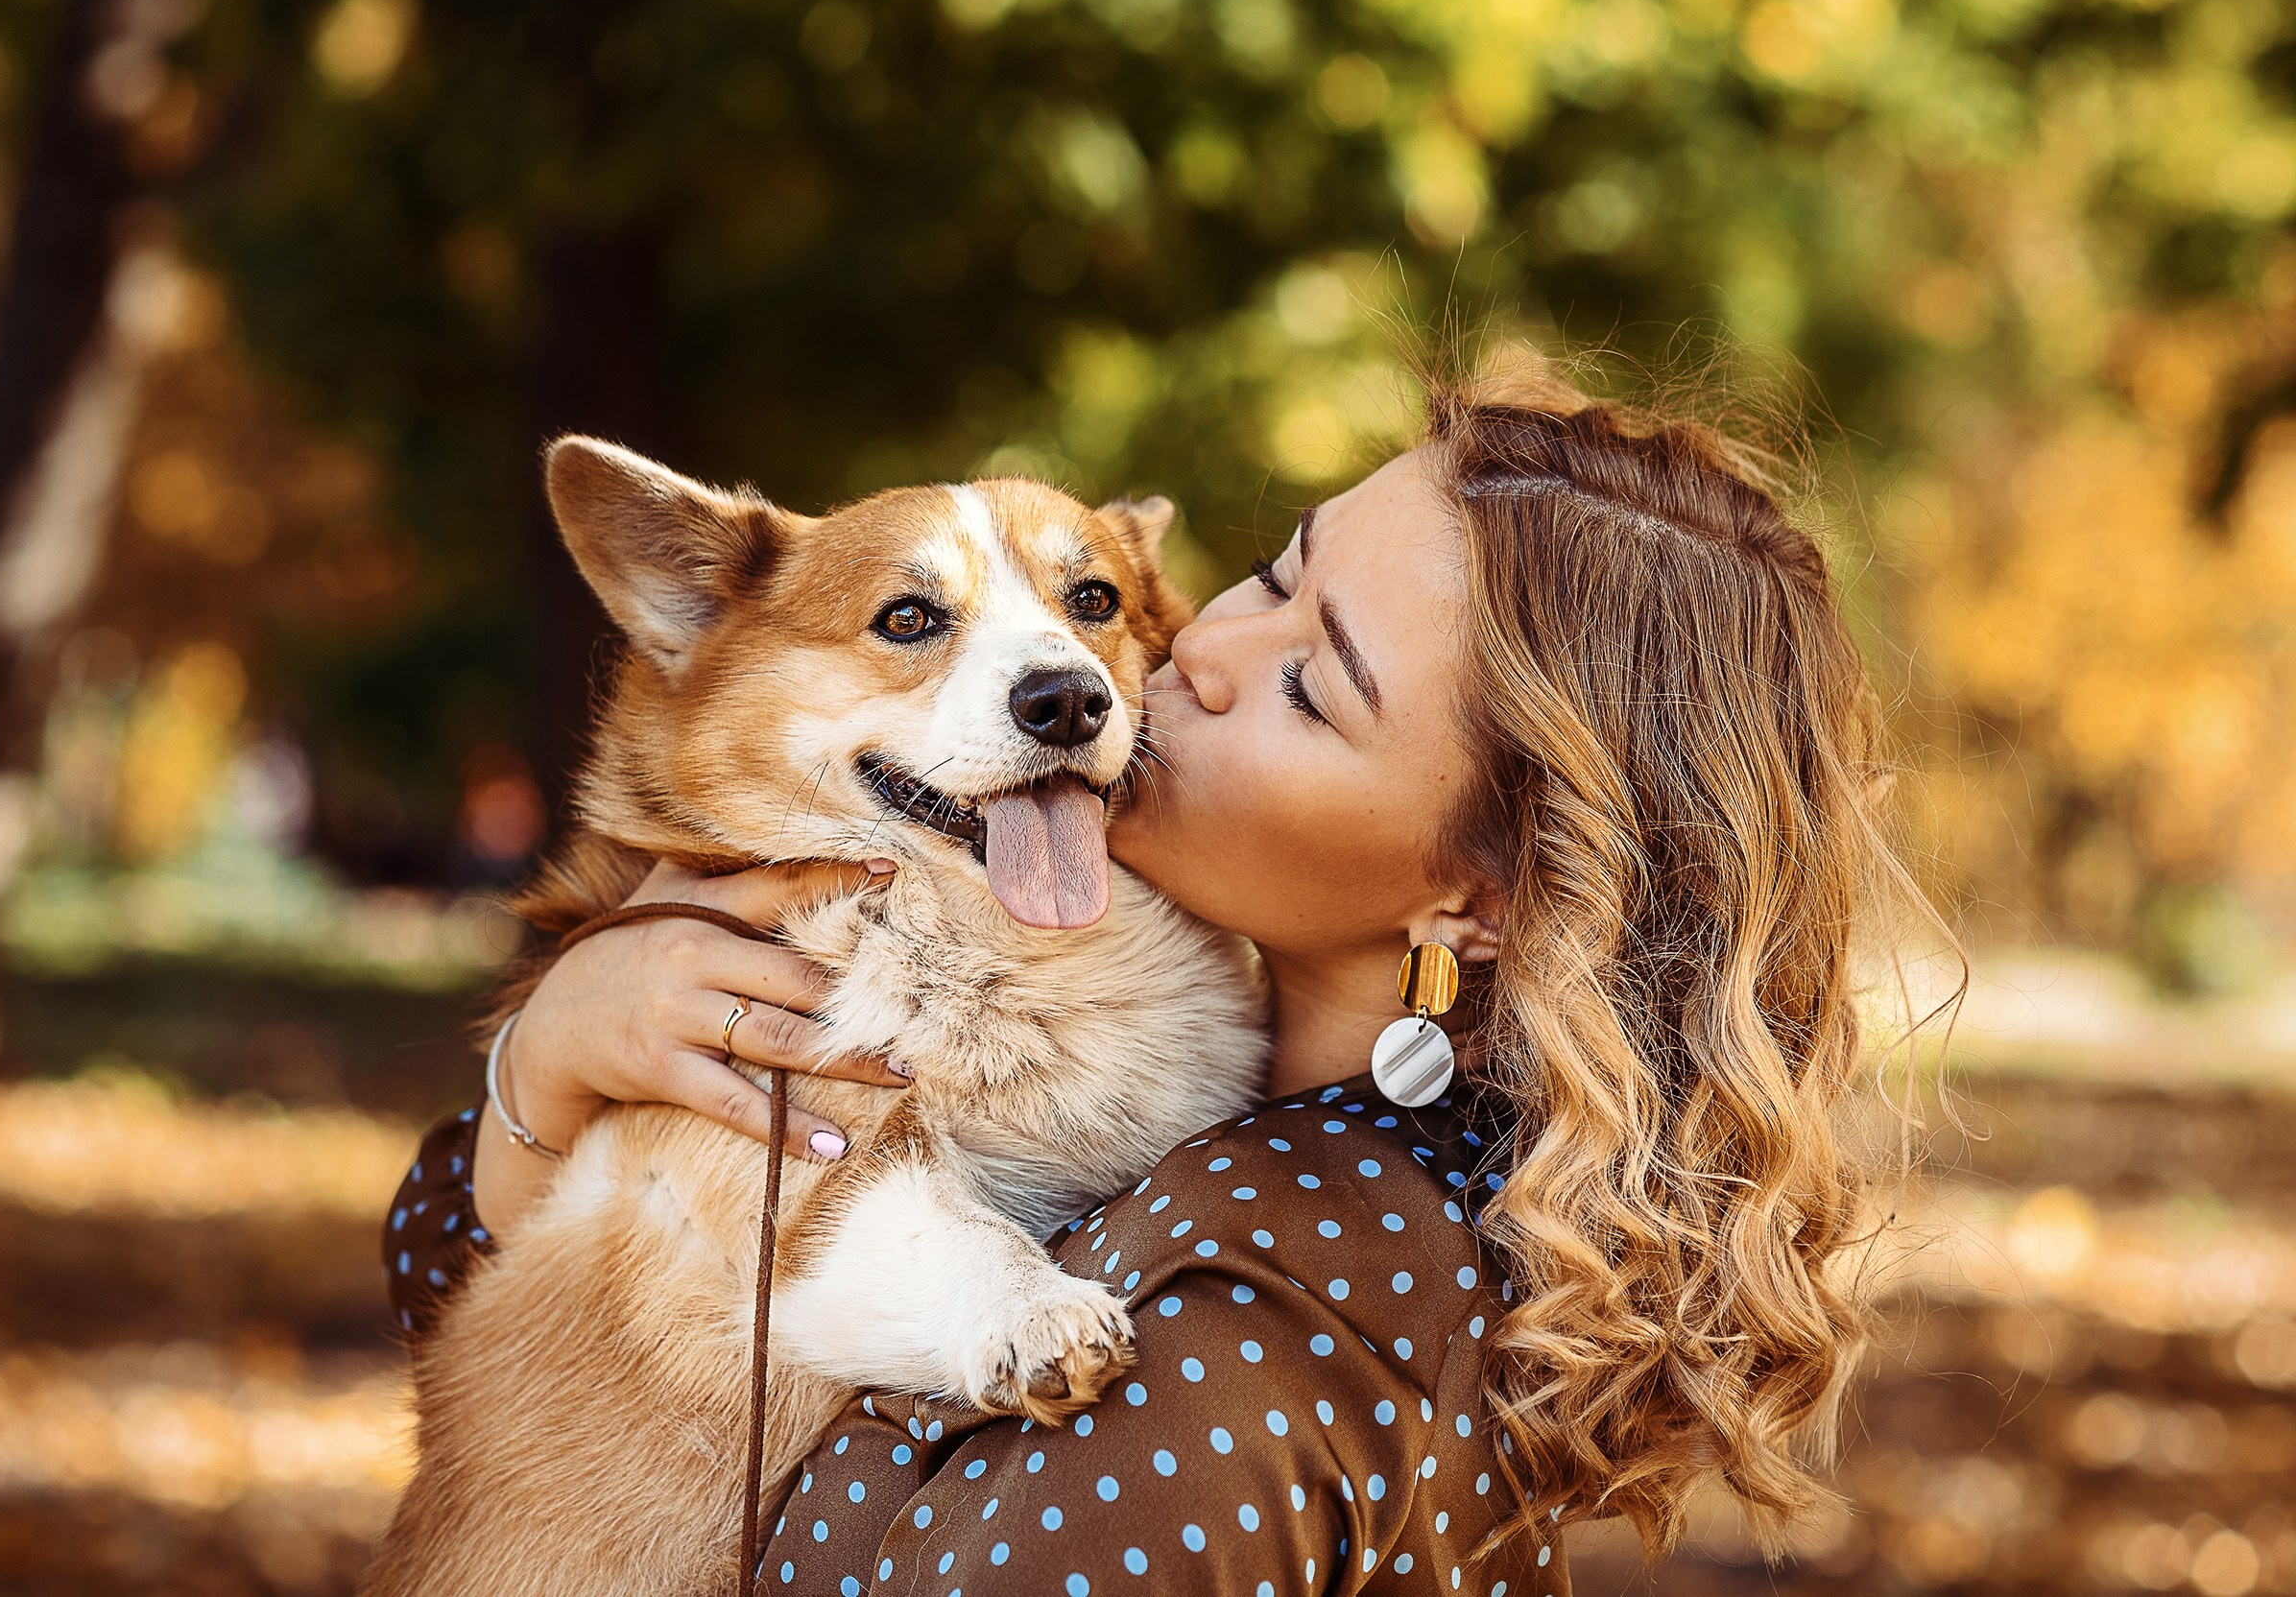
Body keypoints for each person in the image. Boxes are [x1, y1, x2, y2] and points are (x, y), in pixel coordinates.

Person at [382, 359, 1907, 1594]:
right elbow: (504, 1329)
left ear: (1481, 894)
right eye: (1267, 575)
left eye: (1313, 686)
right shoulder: (1312, 1144)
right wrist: (546, 1076)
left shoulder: (1260, 1303)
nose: (1179, 657)